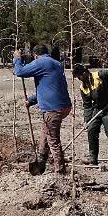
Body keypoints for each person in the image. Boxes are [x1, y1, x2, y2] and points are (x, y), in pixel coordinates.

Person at [13, 45, 72, 173]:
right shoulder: (56, 63)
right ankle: (41, 162)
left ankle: (60, 171)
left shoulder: (41, 62)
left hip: (53, 108)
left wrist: (17, 59)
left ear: (35, 55)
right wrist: (32, 100)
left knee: (52, 139)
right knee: (45, 134)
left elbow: (20, 72)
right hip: (63, 105)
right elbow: (50, 87)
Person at [71, 63, 108, 166]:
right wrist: (87, 121)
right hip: (97, 110)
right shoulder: (83, 87)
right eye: (77, 77)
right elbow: (87, 106)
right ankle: (93, 157)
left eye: (79, 76)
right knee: (91, 129)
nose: (79, 79)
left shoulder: (99, 75)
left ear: (84, 73)